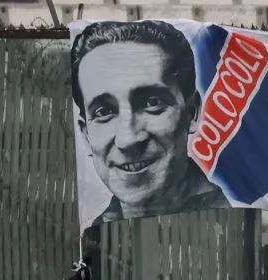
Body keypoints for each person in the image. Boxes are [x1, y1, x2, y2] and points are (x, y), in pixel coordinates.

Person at [71, 20, 226, 226]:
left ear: (192, 112)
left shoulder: (225, 223)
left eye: (152, 103)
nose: (128, 139)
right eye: (104, 111)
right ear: (86, 134)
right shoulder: (97, 236)